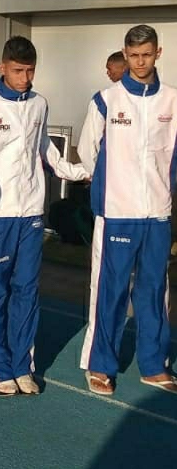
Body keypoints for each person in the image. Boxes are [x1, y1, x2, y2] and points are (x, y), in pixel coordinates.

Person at [0, 36, 90, 397]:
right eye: (18, 70)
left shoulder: (39, 105)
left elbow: (45, 152)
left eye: (30, 71)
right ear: (2, 67)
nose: (25, 78)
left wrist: (76, 170)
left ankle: (22, 364)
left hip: (31, 214)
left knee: (26, 291)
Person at [78, 25, 177, 395]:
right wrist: (109, 189)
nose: (140, 62)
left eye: (146, 55)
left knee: (154, 292)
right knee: (111, 290)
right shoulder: (106, 100)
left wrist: (165, 194)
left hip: (157, 214)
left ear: (158, 53)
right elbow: (88, 153)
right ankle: (100, 365)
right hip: (117, 212)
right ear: (125, 54)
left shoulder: (173, 101)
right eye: (134, 56)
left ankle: (153, 365)